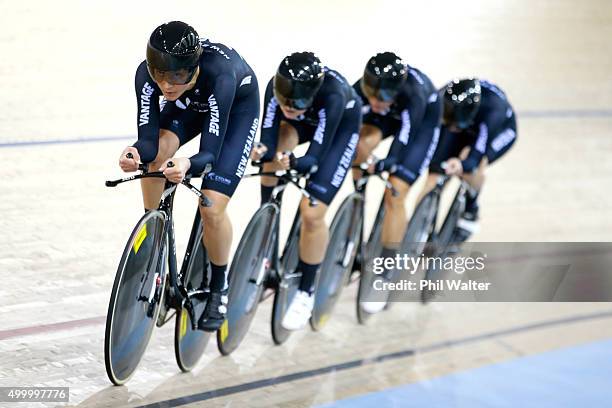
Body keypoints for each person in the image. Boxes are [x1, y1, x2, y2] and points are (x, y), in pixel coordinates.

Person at [117, 21, 260, 332]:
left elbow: (209, 154)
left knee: (212, 207)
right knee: (155, 157)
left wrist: (187, 163)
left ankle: (219, 286)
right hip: (191, 103)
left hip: (234, 111)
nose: (167, 86)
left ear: (193, 68)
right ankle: (154, 232)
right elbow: (148, 141)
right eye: (161, 76)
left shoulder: (220, 75)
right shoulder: (147, 75)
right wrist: (135, 152)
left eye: (177, 76)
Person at [251, 52, 361, 330]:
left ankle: (306, 291)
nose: (288, 106)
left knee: (312, 212)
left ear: (311, 95)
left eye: (297, 102)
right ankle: (269, 211)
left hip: (337, 134)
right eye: (284, 100)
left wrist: (297, 163)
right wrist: (263, 151)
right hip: (303, 125)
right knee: (279, 144)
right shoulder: (276, 89)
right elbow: (268, 135)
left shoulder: (333, 96)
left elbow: (315, 157)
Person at [351, 52, 442, 313]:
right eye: (372, 96)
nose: (376, 101)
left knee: (396, 191)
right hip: (391, 117)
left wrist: (384, 164)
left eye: (383, 97)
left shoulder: (414, 94)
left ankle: (386, 272)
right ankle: (357, 204)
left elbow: (403, 142)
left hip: (419, 124)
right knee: (359, 145)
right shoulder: (364, 88)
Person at [425, 78, 517, 241]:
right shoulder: (443, 97)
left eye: (456, 123)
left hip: (498, 131)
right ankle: (422, 224)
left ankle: (471, 209)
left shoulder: (494, 110)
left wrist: (463, 164)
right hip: (462, 124)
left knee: (471, 166)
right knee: (434, 173)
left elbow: (475, 156)